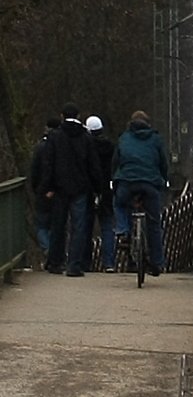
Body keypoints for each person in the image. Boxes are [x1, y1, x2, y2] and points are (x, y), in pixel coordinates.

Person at [40, 102, 102, 277]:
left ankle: (55, 262)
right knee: (79, 226)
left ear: (61, 116)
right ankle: (75, 264)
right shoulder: (86, 137)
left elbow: (48, 164)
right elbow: (93, 165)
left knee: (58, 225)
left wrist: (47, 187)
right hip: (81, 188)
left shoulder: (55, 137)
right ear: (79, 116)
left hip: (60, 188)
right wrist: (97, 187)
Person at [113, 110, 168, 276]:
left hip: (127, 182)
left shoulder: (123, 138)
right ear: (148, 124)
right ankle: (157, 263)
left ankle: (123, 231)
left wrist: (115, 178)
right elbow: (163, 163)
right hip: (150, 184)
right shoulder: (156, 139)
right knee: (154, 224)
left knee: (120, 203)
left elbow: (116, 162)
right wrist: (163, 180)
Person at [83, 115, 116, 272]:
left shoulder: (85, 147)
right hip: (107, 190)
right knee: (107, 226)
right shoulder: (110, 147)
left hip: (88, 189)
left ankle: (85, 262)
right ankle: (109, 262)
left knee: (85, 227)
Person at [29, 117, 61, 258]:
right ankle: (55, 251)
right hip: (59, 191)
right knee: (56, 225)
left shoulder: (40, 147)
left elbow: (34, 170)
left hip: (42, 190)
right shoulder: (62, 146)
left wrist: (38, 189)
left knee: (41, 225)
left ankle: (47, 248)